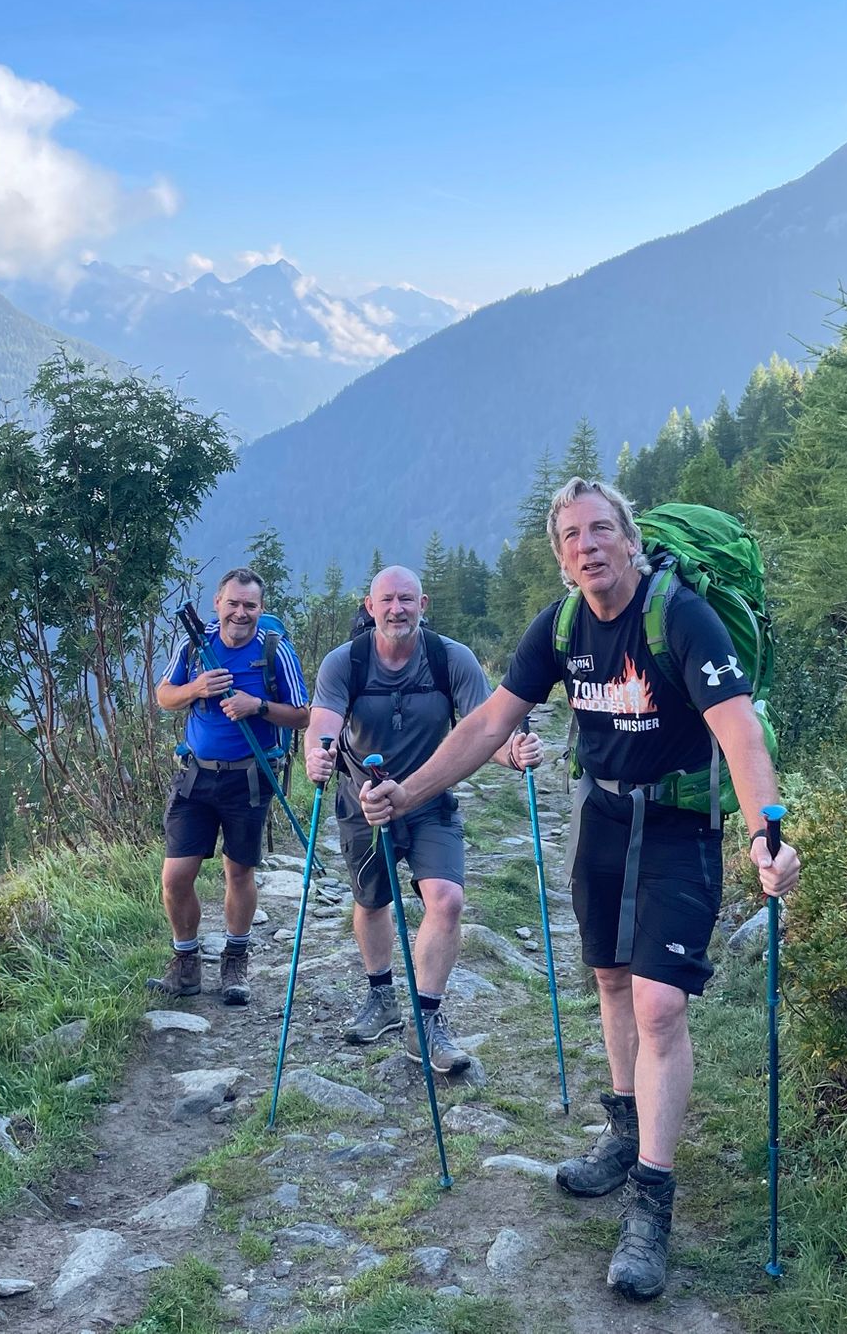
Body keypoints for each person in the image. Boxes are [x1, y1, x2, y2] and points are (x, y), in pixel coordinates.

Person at [360, 479, 801, 1302]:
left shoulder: (678, 617)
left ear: (629, 540)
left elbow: (737, 726)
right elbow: (491, 723)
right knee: (609, 980)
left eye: (601, 530)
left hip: (677, 826)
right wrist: (410, 793)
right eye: (571, 536)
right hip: (601, 820)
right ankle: (625, 1132)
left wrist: (761, 831)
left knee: (661, 1005)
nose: (588, 545)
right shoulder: (561, 626)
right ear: (560, 556)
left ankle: (652, 1201)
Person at [305, 566, 542, 1073]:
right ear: (370, 607)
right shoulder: (344, 662)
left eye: (407, 599)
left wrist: (515, 752)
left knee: (447, 898)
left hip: (431, 799)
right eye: (387, 600)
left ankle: (425, 1020)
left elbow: (484, 730)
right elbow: (323, 722)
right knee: (372, 901)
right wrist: (315, 755)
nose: (397, 609)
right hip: (364, 801)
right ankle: (382, 995)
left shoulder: (449, 659)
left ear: (423, 603)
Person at [150, 567, 310, 1006]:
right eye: (233, 603)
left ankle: (235, 959)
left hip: (249, 777)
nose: (241, 613)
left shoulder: (274, 651)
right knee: (176, 877)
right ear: (217, 603)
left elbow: (302, 715)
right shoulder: (193, 644)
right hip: (195, 775)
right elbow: (164, 696)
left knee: (238, 871)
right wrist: (195, 688)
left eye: (250, 606)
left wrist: (255, 705)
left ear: (261, 608)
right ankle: (185, 962)